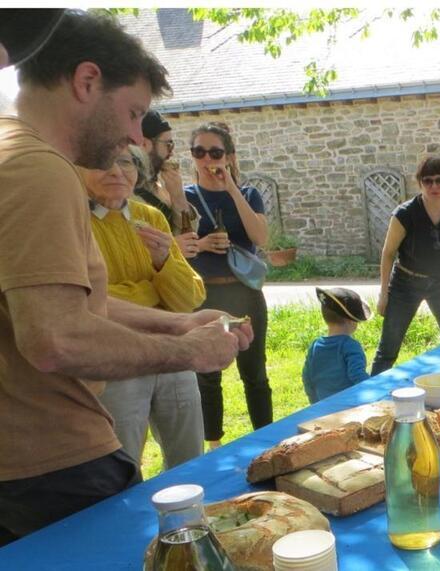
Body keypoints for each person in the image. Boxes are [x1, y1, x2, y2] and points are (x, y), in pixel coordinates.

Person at [0, 10, 250, 546]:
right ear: (87, 81)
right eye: (134, 112)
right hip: (55, 465)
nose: (135, 137)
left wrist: (178, 325)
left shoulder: (8, 152)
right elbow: (55, 338)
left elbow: (68, 305)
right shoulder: (41, 169)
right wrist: (192, 354)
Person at [83, 146, 207, 470]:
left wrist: (165, 261)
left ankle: (194, 518)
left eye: (126, 162)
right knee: (123, 462)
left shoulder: (150, 217)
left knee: (190, 456)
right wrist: (152, 290)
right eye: (103, 161)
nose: (117, 171)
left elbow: (190, 297)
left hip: (173, 350)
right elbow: (87, 301)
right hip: (115, 358)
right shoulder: (74, 223)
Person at [185, 122, 272, 450]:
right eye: (199, 152)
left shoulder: (248, 194)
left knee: (255, 373)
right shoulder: (185, 198)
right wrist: (204, 244)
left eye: (216, 152)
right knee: (207, 375)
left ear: (230, 156)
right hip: (205, 293)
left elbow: (260, 237)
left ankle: (266, 440)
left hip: (245, 293)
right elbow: (179, 245)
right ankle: (214, 446)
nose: (208, 159)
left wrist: (232, 188)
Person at [371, 156, 440, 375]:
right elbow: (388, 253)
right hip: (405, 283)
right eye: (428, 180)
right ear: (419, 183)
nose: (434, 186)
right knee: (388, 348)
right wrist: (383, 293)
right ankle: (368, 401)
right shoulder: (404, 214)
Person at [134, 110, 200, 259]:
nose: (171, 153)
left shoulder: (158, 186)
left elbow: (190, 234)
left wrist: (178, 196)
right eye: (168, 144)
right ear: (144, 144)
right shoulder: (125, 191)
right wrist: (173, 248)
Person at [302, 287, 371, 404]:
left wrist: (315, 404)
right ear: (352, 321)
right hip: (349, 406)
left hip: (323, 406)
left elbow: (307, 378)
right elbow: (358, 377)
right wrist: (375, 392)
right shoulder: (351, 346)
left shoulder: (315, 346)